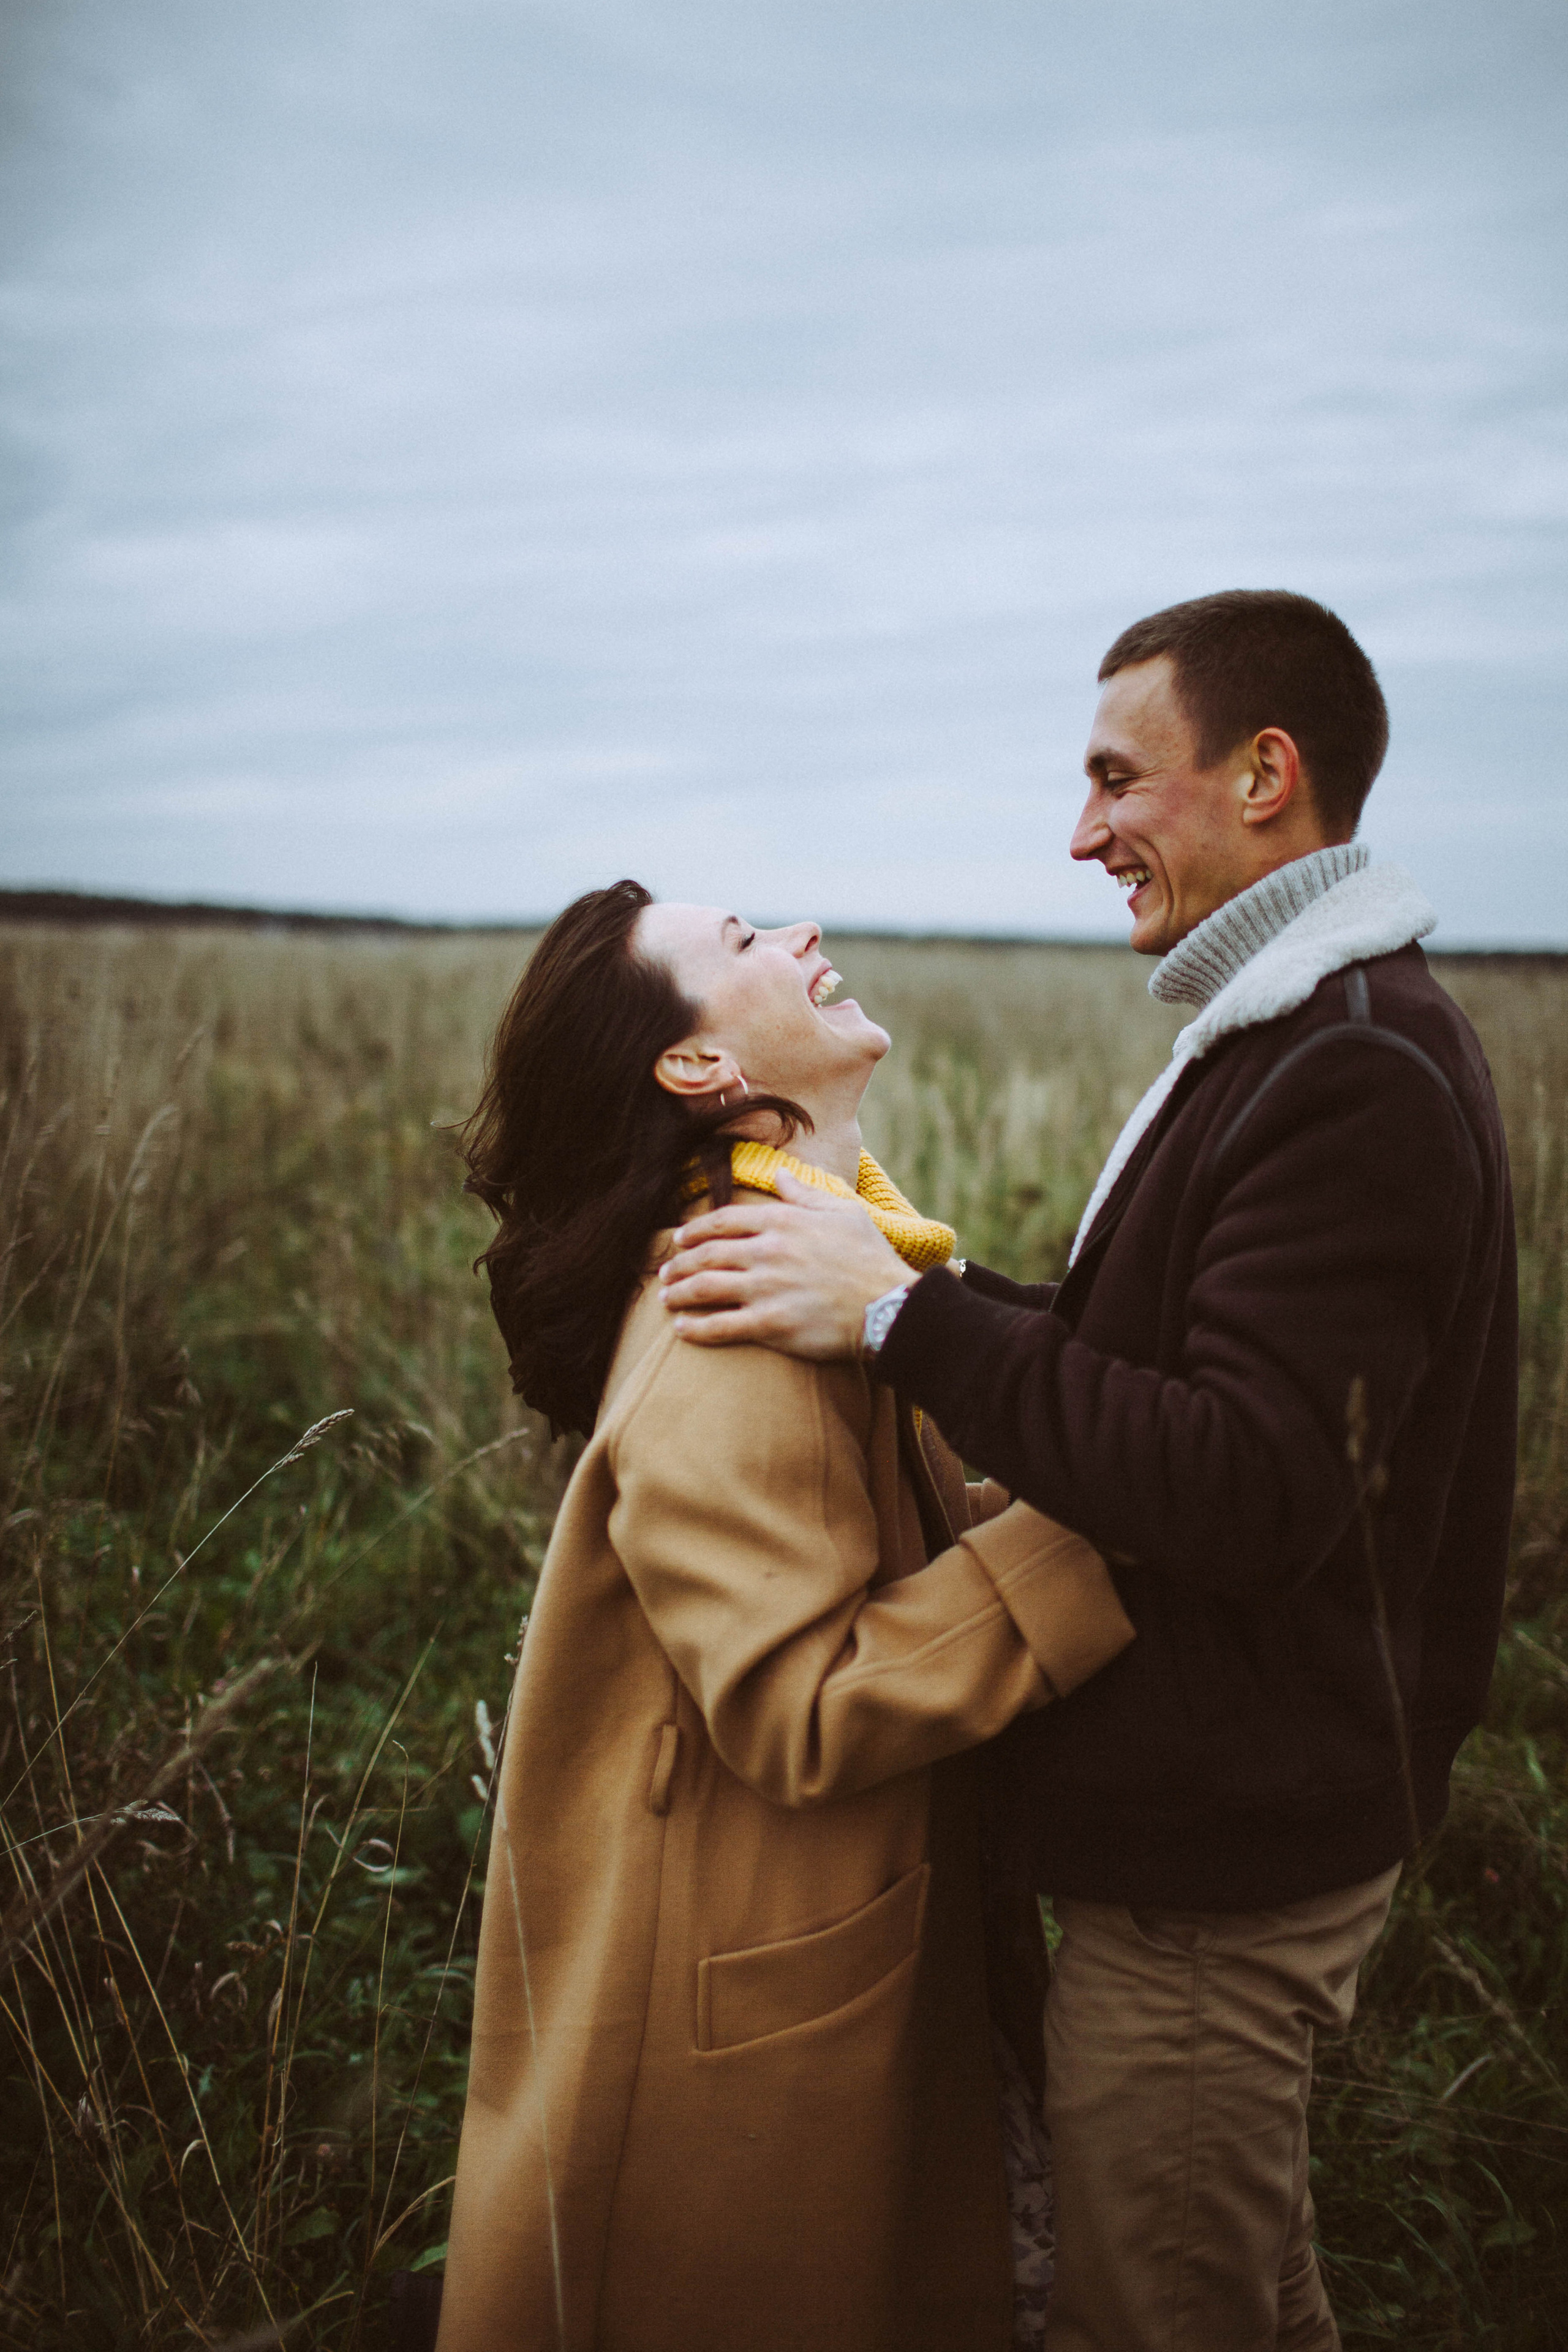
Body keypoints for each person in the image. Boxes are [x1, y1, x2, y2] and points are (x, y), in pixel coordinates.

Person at [660, 589, 1518, 2352]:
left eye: (1118, 779)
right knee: (1252, 2299)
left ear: (1266, 773)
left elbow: (1251, 1479)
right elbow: (1178, 1376)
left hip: (1221, 1870)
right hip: (1219, 1815)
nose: (1082, 833)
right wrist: (917, 1296)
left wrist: (908, 1325)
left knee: (1161, 2317)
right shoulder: (1297, 1030)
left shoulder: (1346, 1064)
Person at [434, 880, 1136, 2352]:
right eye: (746, 942)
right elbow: (794, 1704)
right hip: (756, 2000)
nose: (799, 936)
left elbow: (880, 1556)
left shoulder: (805, 1253)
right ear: (699, 1072)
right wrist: (1106, 1544)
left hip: (832, 1934)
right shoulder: (733, 1322)